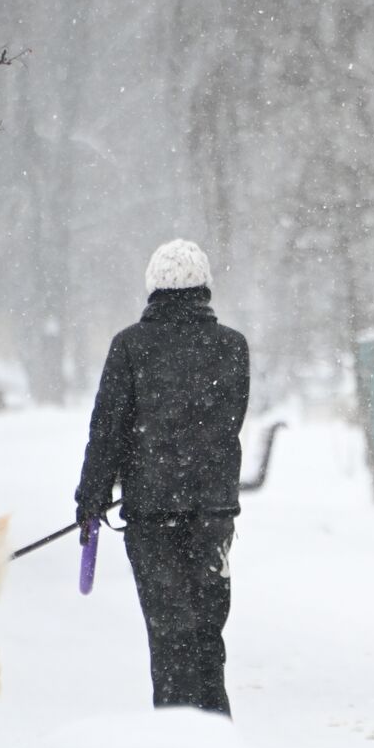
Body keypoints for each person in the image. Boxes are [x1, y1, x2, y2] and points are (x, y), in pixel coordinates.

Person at [75, 239, 250, 717]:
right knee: (207, 640)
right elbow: (227, 423)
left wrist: (91, 498)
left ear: (153, 289)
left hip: (152, 517)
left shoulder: (130, 346)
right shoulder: (232, 346)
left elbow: (107, 428)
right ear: (205, 288)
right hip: (213, 517)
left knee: (169, 641)